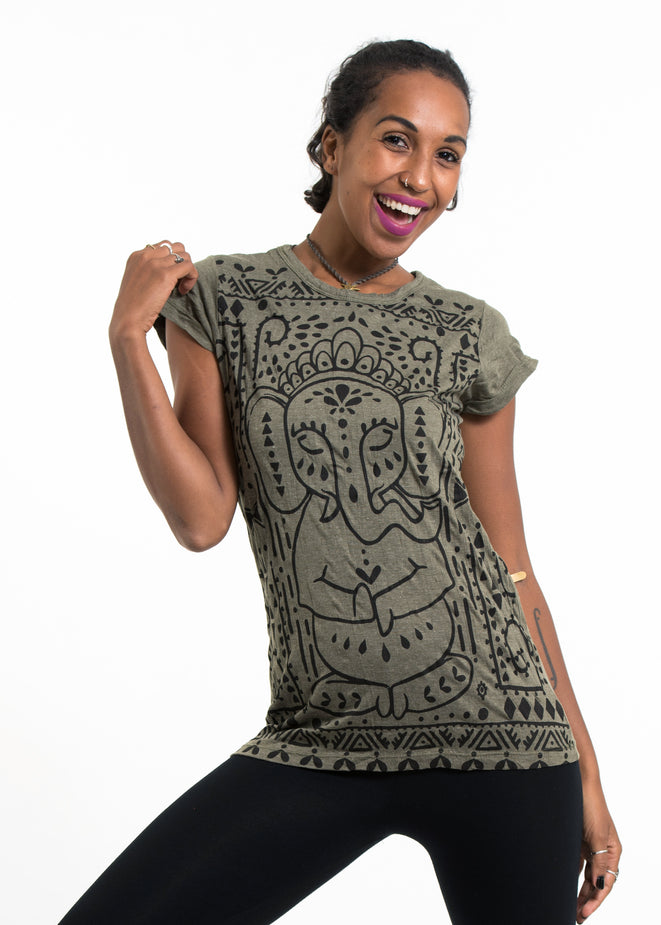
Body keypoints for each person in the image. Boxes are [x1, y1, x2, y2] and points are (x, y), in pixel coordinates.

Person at [61, 39, 621, 925]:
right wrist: (129, 338)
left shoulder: (467, 331)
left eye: (447, 154)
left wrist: (586, 772)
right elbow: (201, 518)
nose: (420, 178)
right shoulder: (224, 299)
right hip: (320, 737)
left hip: (509, 742)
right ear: (332, 146)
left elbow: (512, 565)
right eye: (397, 140)